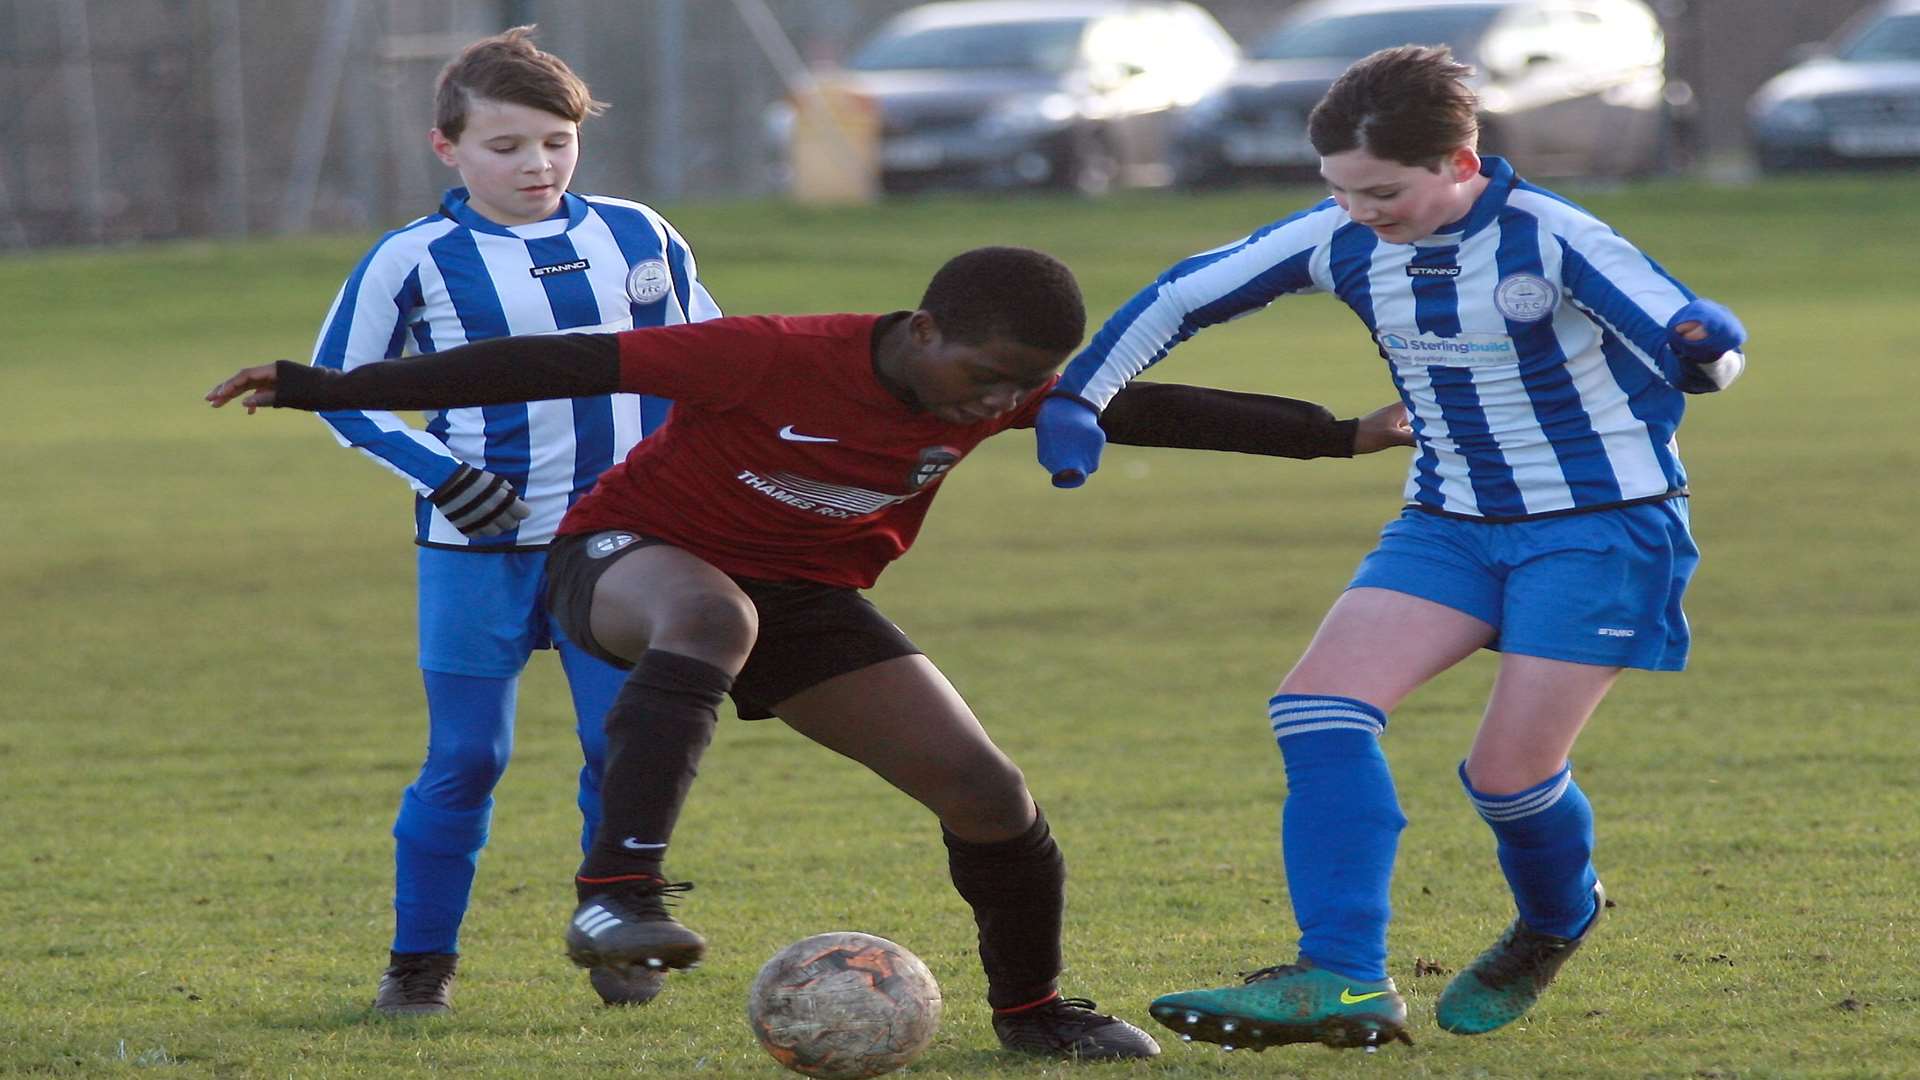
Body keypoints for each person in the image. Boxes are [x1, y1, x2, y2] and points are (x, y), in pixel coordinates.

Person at [210, 245, 1413, 1060]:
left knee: (988, 793)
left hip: (807, 595)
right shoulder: (773, 353)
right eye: (982, 379)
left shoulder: (998, 389)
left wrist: (1343, 435)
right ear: (926, 327)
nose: (986, 408)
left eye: (1016, 391)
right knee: (711, 619)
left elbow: (1149, 408)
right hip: (628, 558)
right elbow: (559, 361)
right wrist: (333, 387)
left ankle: (1035, 1013)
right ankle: (613, 898)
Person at [1032, 46, 1748, 1051]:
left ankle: (1554, 919)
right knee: (1316, 708)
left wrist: (1706, 350)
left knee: (1506, 775)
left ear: (1460, 161)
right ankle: (1344, 978)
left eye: (1381, 191)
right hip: (1446, 525)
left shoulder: (1555, 239)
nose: (1358, 209)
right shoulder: (1343, 234)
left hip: (1600, 530)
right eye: (1337, 189)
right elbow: (1184, 296)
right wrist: (1079, 397)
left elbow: (1696, 349)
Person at [308, 26, 721, 1014]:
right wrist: (444, 479)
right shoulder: (414, 260)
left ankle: (617, 931)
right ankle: (419, 970)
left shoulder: (639, 237)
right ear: (445, 147)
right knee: (466, 758)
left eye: (556, 142)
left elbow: (715, 365)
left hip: (618, 551)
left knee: (618, 747)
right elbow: (339, 394)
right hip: (475, 551)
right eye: (507, 147)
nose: (536, 164)